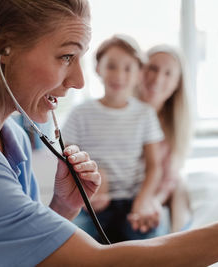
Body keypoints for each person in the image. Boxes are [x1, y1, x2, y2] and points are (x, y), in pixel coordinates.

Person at [0, 0, 218, 266]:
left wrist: (63, 207)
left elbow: (22, 251)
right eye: (66, 55)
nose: (80, 80)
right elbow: (92, 262)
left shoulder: (14, 142)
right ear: (3, 48)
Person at [62, 35, 165, 242]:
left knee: (150, 247)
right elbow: (67, 161)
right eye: (111, 66)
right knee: (68, 244)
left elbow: (155, 166)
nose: (119, 75)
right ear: (98, 68)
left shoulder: (145, 114)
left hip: (132, 203)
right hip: (92, 203)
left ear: (138, 74)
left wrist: (143, 201)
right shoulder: (80, 114)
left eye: (128, 68)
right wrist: (87, 190)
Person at [136, 44, 192, 233]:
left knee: (180, 185)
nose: (158, 78)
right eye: (153, 68)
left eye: (168, 73)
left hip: (151, 202)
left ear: (177, 84)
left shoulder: (174, 126)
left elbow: (169, 179)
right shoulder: (118, 113)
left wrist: (152, 202)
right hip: (117, 197)